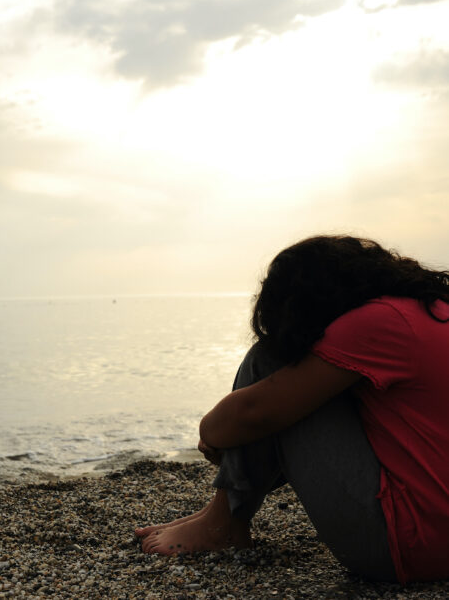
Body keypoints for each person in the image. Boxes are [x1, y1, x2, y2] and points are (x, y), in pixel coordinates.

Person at [135, 235, 449, 584]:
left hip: (413, 548)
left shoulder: (377, 321)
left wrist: (212, 433)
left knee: (271, 362)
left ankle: (222, 525)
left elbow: (250, 416)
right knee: (299, 389)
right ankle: (217, 515)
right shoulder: (430, 311)